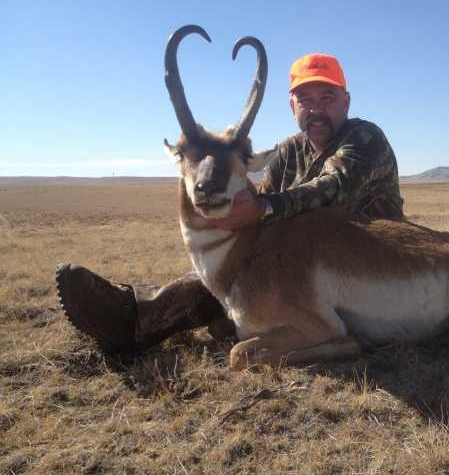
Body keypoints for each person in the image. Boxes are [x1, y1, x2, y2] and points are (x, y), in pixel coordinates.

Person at [56, 53, 404, 355]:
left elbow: (334, 186)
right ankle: (133, 316)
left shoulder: (364, 137)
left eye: (327, 97)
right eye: (305, 98)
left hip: (374, 259)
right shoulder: (288, 151)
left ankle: (137, 317)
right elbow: (258, 203)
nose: (316, 108)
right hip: (307, 264)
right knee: (235, 272)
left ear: (346, 101)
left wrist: (263, 209)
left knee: (250, 279)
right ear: (292, 106)